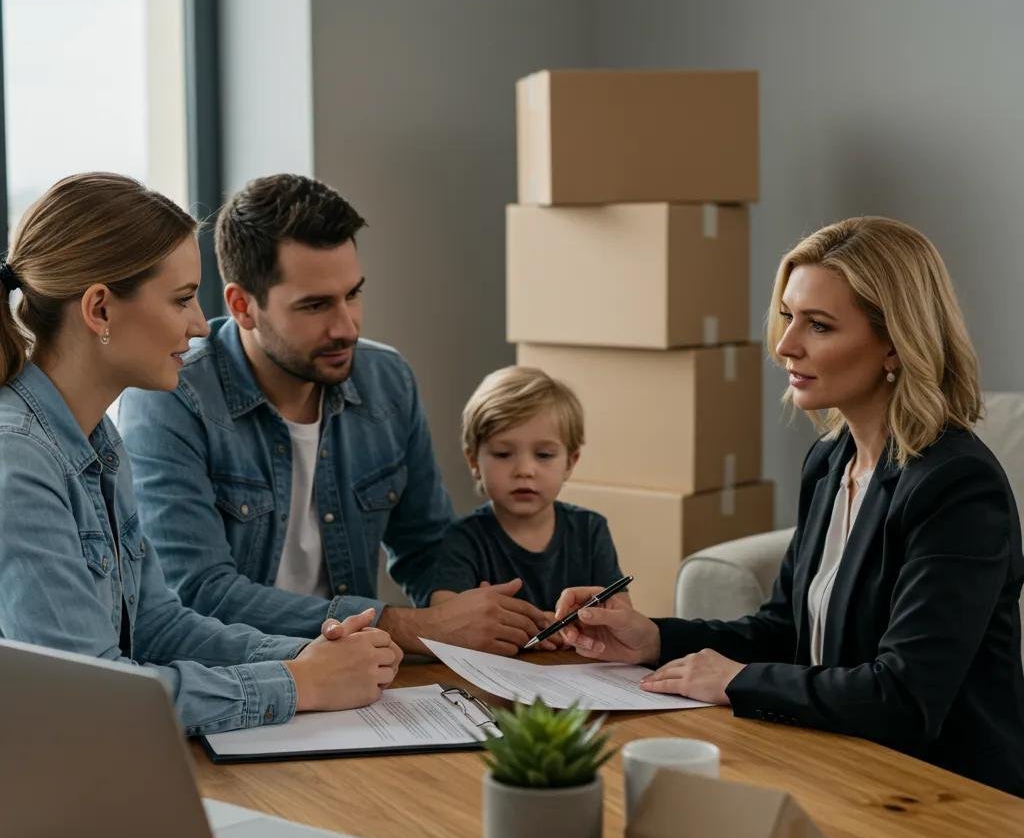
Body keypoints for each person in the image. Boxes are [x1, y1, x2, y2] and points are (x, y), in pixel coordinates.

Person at [553, 216, 1024, 797]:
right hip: (840, 761)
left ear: (895, 344)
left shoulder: (957, 486)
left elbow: (904, 698)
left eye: (818, 325)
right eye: (787, 316)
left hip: (946, 793)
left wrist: (738, 680)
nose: (784, 346)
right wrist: (652, 638)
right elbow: (783, 631)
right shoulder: (831, 461)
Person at [0, 172, 401, 735]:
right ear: (100, 310)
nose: (198, 324)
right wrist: (299, 682)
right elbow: (90, 700)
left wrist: (314, 654)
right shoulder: (18, 459)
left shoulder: (97, 440)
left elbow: (156, 625)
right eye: (182, 299)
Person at [118, 174, 547, 655]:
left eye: (353, 294)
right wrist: (412, 627)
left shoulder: (386, 380)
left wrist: (464, 614)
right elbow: (199, 593)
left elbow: (428, 546)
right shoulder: (172, 396)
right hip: (238, 678)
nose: (347, 327)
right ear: (243, 306)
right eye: (316, 305)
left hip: (361, 675)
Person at [430, 366, 627, 640]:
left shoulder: (591, 529)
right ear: (474, 461)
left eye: (544, 455)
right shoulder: (463, 538)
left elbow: (622, 616)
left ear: (570, 463)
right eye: (503, 454)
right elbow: (442, 617)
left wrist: (582, 624)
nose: (524, 470)